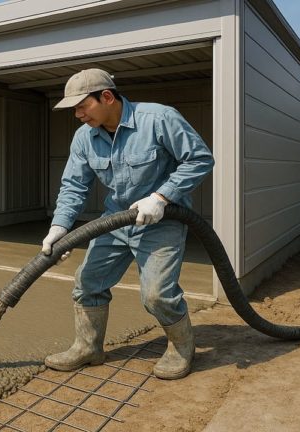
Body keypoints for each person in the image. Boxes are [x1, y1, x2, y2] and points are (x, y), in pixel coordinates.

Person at [41, 69, 214, 379]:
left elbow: (199, 159)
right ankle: (88, 347)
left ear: (107, 97)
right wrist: (60, 228)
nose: (78, 115)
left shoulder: (159, 119)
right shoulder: (84, 137)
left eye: (82, 106)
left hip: (163, 219)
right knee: (87, 283)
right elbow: (73, 186)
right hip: (115, 220)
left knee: (157, 295)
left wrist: (162, 197)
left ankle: (181, 346)